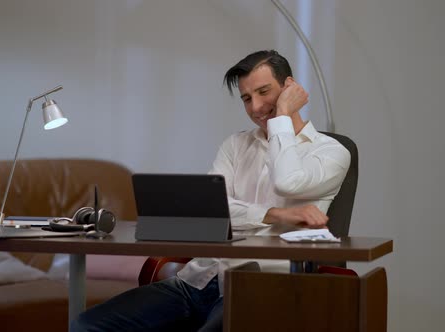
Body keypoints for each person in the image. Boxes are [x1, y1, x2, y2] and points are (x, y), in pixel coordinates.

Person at [70, 50, 351, 332]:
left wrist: (282, 118)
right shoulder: (235, 145)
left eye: (264, 92)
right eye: (246, 98)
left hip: (260, 286)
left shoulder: (331, 152)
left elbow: (288, 181)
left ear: (289, 87)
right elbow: (216, 211)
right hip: (200, 278)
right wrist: (276, 214)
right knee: (87, 325)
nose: (255, 107)